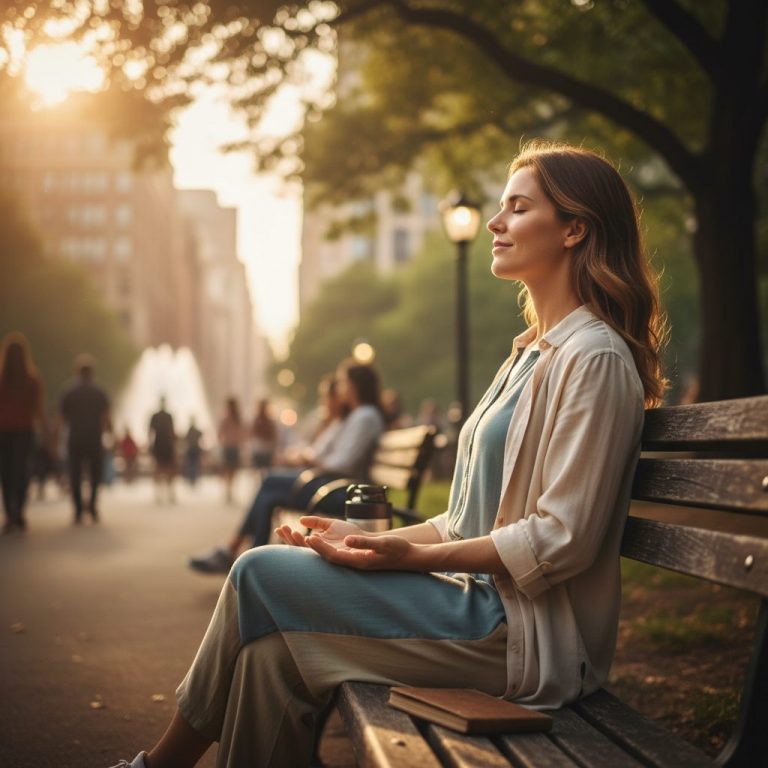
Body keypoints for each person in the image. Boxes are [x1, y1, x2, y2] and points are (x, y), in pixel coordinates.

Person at [109, 141, 666, 768]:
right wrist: (374, 540)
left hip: (520, 636)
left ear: (574, 229)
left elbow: (564, 539)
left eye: (517, 207)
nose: (494, 222)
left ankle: (156, 766)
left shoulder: (593, 358)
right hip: (472, 604)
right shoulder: (529, 355)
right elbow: (466, 521)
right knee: (271, 658)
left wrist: (413, 556)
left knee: (256, 573)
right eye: (499, 207)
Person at [189, 361, 384, 574]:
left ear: (355, 385)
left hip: (342, 490)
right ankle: (251, 560)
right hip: (333, 484)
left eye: (344, 382)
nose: (340, 388)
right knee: (269, 493)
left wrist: (310, 461)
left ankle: (241, 555)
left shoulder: (365, 416)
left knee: (270, 483)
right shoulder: (357, 416)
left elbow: (344, 463)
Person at [0, 332, 45, 533]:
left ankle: (10, 513)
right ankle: (19, 510)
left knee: (6, 473)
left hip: (3, 431)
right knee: (22, 472)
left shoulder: (1, 378)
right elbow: (38, 409)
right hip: (24, 431)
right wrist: (47, 433)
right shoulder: (32, 379)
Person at [60, 353, 110, 525]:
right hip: (94, 438)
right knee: (95, 474)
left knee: (75, 474)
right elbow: (106, 418)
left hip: (75, 438)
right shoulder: (99, 392)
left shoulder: (69, 392)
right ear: (92, 372)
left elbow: (62, 418)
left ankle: (78, 510)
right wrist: (110, 435)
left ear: (77, 372)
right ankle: (93, 506)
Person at [149, 397, 177, 503]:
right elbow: (172, 431)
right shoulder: (165, 416)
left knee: (162, 468)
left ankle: (165, 493)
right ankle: (164, 493)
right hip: (164, 444)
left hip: (162, 444)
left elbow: (150, 431)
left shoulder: (157, 416)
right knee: (164, 468)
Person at [217, 397, 244, 505]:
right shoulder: (226, 418)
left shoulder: (237, 418)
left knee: (233, 469)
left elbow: (241, 432)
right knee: (228, 469)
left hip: (234, 447)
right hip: (228, 447)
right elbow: (220, 432)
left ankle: (230, 490)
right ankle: (228, 491)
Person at [249, 398, 277, 476]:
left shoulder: (269, 421)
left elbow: (273, 435)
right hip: (258, 448)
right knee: (258, 470)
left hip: (266, 449)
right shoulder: (256, 420)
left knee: (266, 470)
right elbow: (252, 433)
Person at [183, 418, 204, 486]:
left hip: (193, 449)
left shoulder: (190, 431)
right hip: (193, 449)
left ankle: (193, 478)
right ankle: (192, 478)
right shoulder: (191, 431)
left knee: (193, 465)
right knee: (192, 465)